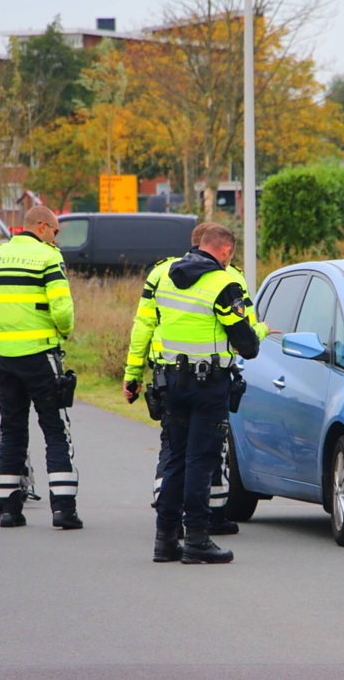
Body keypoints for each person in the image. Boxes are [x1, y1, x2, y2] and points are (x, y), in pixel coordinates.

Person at [124, 223, 267, 537]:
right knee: (202, 460)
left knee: (174, 457)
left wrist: (132, 374)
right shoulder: (225, 281)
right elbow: (248, 345)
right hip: (209, 384)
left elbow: (143, 326)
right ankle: (199, 538)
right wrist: (263, 331)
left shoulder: (164, 276)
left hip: (170, 379)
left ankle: (165, 539)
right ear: (226, 251)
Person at [0, 205, 81, 530]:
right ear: (42, 226)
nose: (57, 238)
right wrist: (62, 331)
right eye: (56, 231)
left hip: (4, 356)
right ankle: (63, 510)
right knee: (55, 429)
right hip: (41, 354)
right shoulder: (48, 257)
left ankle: (8, 509)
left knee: (13, 429)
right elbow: (61, 307)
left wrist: (4, 329)